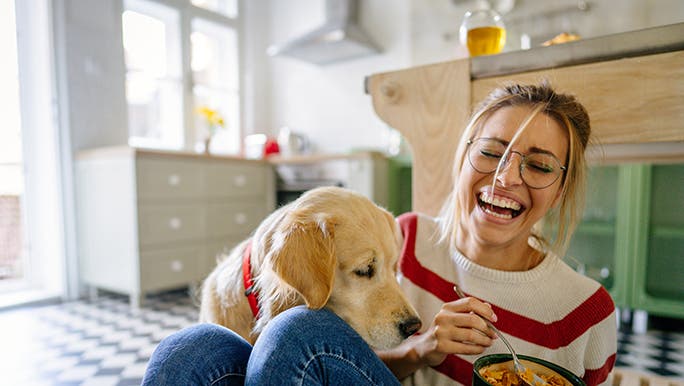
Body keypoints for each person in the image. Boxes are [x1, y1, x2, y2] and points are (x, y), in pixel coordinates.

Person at [141, 82, 616, 386]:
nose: (506, 178)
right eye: (492, 153)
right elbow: (336, 364)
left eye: (538, 165)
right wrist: (420, 349)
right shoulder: (401, 237)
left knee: (294, 331)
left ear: (561, 188)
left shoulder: (587, 313)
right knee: (189, 350)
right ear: (463, 158)